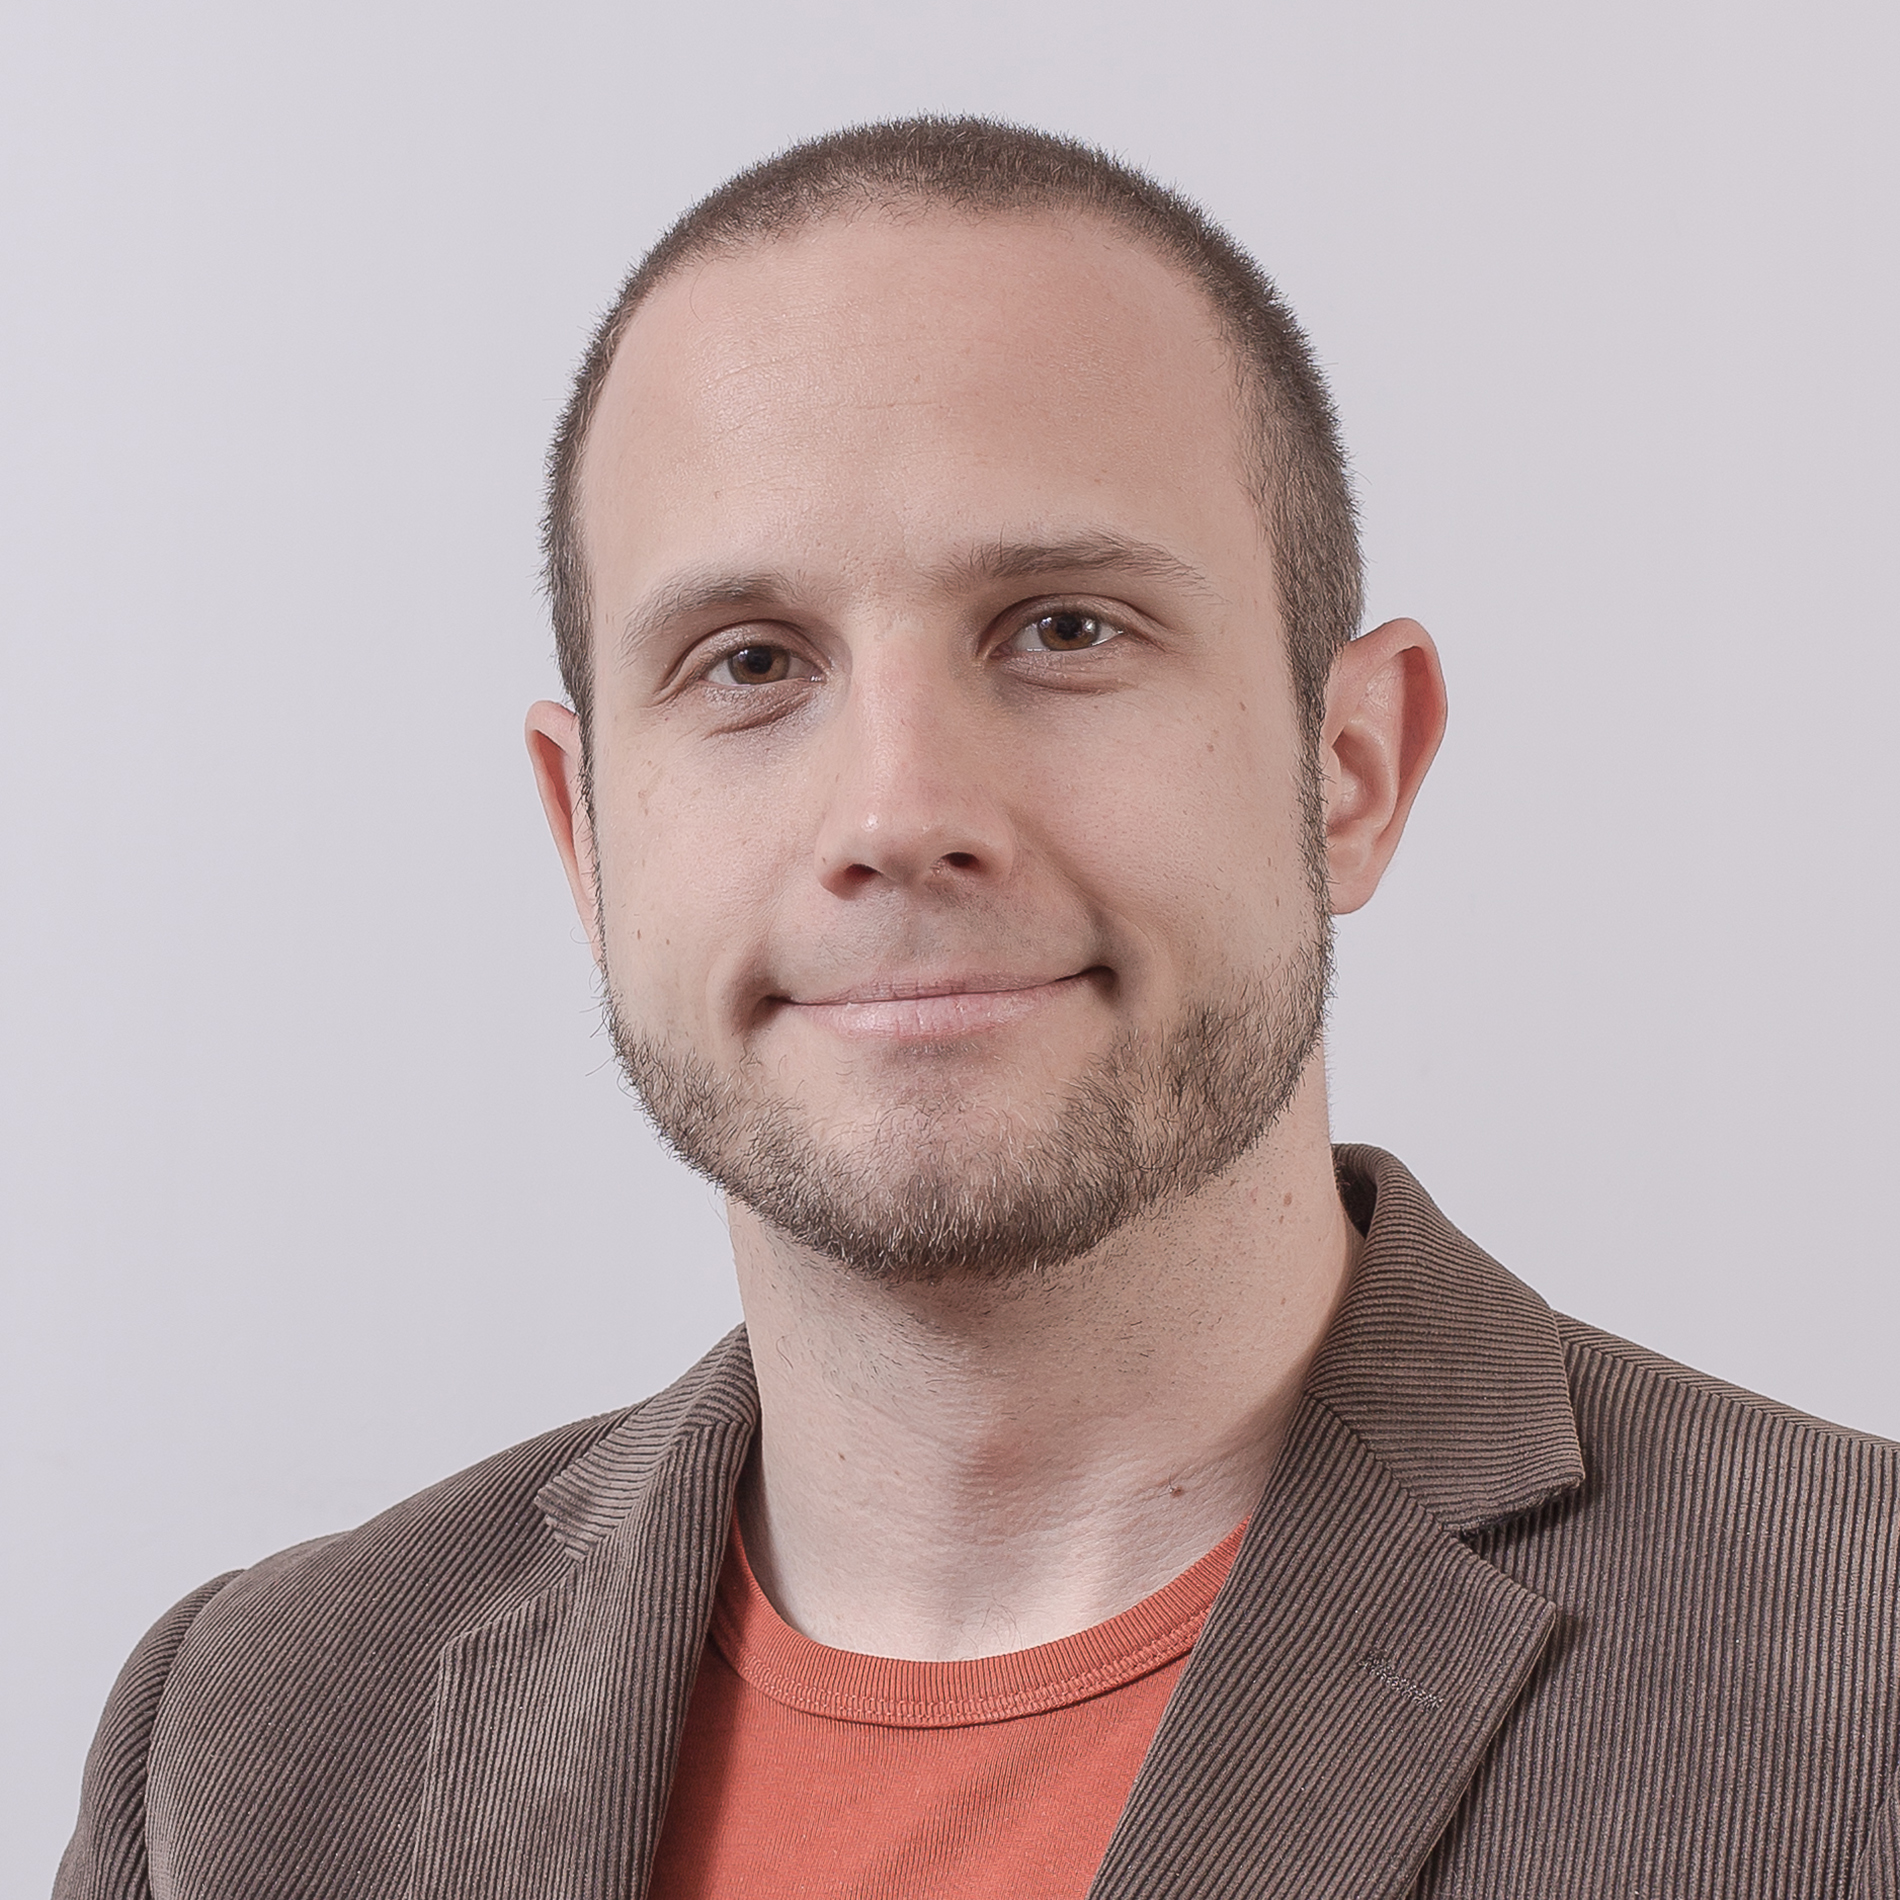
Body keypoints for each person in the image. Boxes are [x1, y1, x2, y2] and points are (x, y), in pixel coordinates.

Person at [56, 117, 1899, 1900]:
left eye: (1065, 627)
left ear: (1351, 767)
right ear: (585, 834)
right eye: (749, 662)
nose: (899, 812)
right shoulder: (249, 1739)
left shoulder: (1857, 1688)